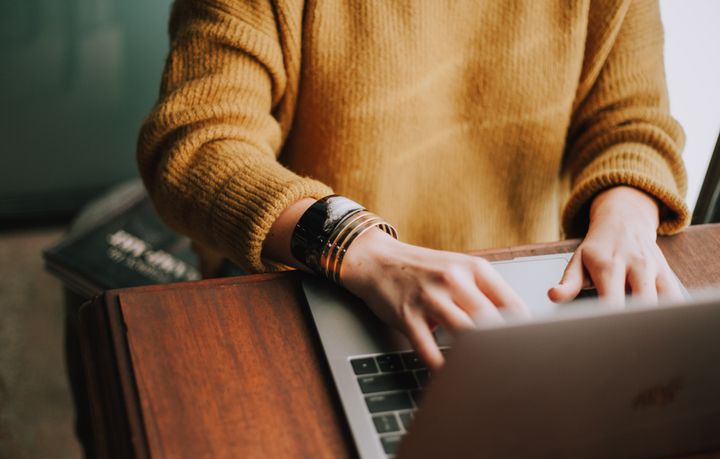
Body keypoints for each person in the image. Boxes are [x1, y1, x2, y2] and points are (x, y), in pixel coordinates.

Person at [137, 0, 689, 369]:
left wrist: (628, 215)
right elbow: (196, 144)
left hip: (518, 300)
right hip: (313, 287)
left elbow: (632, 122)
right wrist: (361, 248)